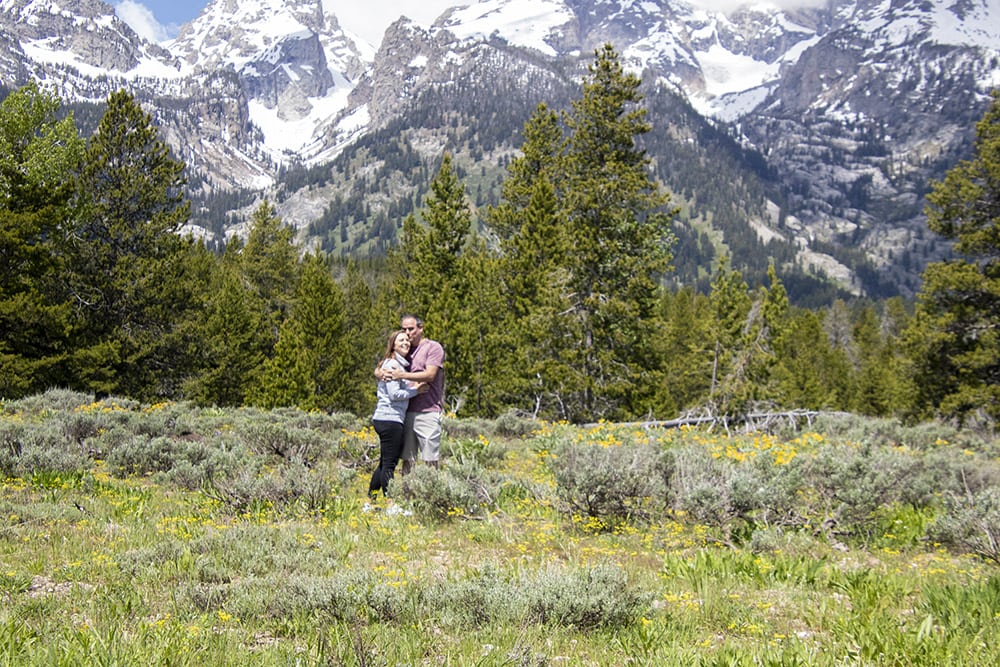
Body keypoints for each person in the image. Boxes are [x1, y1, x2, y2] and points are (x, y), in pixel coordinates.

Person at [380, 314, 444, 473]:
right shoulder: (404, 349)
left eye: (411, 329)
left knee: (430, 458)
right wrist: (379, 373)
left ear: (421, 328)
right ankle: (407, 496)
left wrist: (402, 375)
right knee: (407, 458)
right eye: (404, 329)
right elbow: (385, 363)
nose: (407, 333)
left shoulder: (433, 348)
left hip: (428, 410)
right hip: (406, 412)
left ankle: (431, 493)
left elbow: (430, 375)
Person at [368, 329, 421, 499]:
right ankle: (391, 503)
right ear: (393, 346)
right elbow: (394, 394)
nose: (405, 343)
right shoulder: (392, 365)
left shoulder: (396, 364)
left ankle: (371, 499)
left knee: (384, 463)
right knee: (390, 464)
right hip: (390, 419)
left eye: (407, 340)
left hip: (387, 418)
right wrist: (416, 391)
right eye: (401, 341)